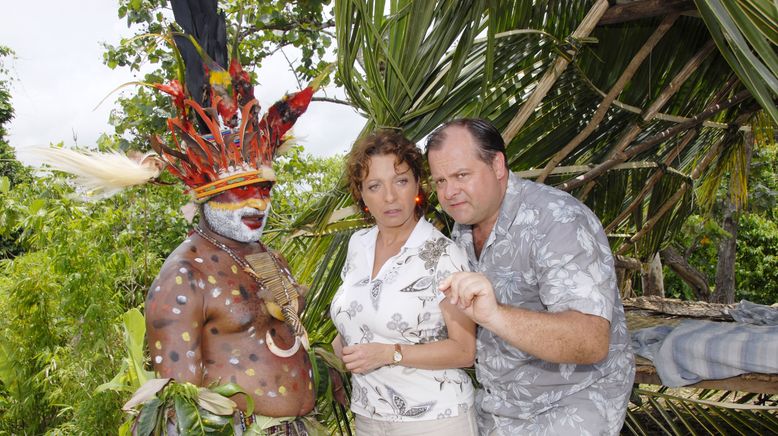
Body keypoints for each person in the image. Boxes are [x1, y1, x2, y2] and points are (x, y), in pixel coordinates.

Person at [426, 118, 635, 436]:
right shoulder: (462, 228)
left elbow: (590, 340)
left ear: (497, 165)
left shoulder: (558, 221)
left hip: (567, 405)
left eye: (461, 175)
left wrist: (494, 315)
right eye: (440, 181)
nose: (449, 192)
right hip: (498, 407)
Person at [330, 130, 478, 435]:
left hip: (436, 420)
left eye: (400, 181)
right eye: (374, 186)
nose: (389, 197)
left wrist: (389, 353)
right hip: (369, 418)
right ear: (361, 194)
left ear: (416, 185)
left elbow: (464, 351)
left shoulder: (443, 254)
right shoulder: (358, 245)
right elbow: (356, 321)